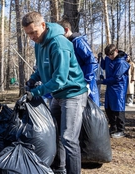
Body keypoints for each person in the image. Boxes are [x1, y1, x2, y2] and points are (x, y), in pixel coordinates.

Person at [22, 11, 88, 174]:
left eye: (33, 32)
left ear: (43, 26)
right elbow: (41, 68)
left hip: (73, 94)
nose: (31, 37)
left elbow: (60, 79)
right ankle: (59, 169)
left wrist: (36, 92)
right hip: (57, 95)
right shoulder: (38, 43)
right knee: (55, 133)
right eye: (28, 34)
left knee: (69, 139)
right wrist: (32, 79)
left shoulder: (59, 44)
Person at [57, 18, 99, 106]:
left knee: (88, 115)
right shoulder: (69, 44)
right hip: (76, 86)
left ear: (66, 30)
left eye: (60, 34)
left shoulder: (78, 42)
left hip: (85, 84)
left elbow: (92, 62)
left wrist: (86, 81)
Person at [97, 44, 130, 138]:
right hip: (110, 87)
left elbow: (116, 78)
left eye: (111, 55)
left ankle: (121, 130)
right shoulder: (108, 58)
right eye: (108, 56)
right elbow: (104, 66)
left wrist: (103, 81)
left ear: (116, 51)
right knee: (108, 108)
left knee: (118, 109)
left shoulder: (121, 63)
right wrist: (101, 59)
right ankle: (113, 127)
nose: (110, 57)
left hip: (118, 88)